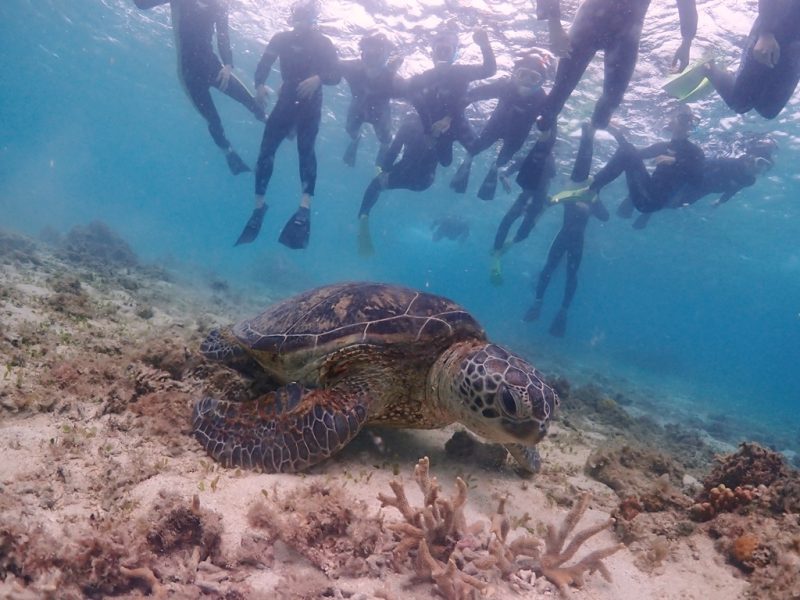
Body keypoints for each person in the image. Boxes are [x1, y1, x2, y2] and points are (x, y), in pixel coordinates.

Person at [235, 0, 340, 250]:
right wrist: (259, 85)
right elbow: (262, 66)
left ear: (314, 18)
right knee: (266, 151)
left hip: (310, 103)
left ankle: (304, 208)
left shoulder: (323, 43)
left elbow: (336, 75)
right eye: (297, 15)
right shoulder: (280, 38)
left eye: (306, 16)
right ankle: (259, 206)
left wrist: (318, 78)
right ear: (292, 16)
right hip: (286, 101)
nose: (300, 21)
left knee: (305, 151)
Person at [133, 0, 265, 175]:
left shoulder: (220, 4)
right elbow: (142, 4)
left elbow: (223, 35)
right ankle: (230, 154)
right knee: (214, 120)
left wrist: (228, 65)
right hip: (189, 74)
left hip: (214, 68)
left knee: (250, 102)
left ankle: (280, 126)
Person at [534, 0, 697, 134]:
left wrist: (687, 40)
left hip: (625, 34)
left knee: (611, 100)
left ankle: (592, 129)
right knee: (561, 90)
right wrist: (553, 23)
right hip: (589, 22)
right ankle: (543, 127)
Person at [523, 122, 609, 337]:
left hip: (576, 241)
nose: (587, 182)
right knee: (548, 270)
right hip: (564, 237)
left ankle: (562, 313)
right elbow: (554, 200)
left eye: (591, 181)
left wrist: (593, 200)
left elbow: (605, 216)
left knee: (571, 275)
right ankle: (538, 303)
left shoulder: (592, 198)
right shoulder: (572, 192)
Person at [560, 106, 705, 215]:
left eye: (682, 119)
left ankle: (592, 188)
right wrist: (616, 133)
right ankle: (592, 189)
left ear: (689, 126)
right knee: (627, 150)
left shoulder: (695, 152)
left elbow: (698, 180)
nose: (675, 120)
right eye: (677, 117)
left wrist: (675, 162)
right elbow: (630, 156)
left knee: (627, 150)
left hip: (653, 201)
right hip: (645, 193)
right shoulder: (663, 146)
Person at [449, 53, 552, 199]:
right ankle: (469, 161)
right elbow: (475, 93)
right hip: (496, 127)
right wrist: (454, 111)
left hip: (516, 136)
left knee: (503, 158)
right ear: (515, 76)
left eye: (534, 78)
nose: (527, 82)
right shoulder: (505, 86)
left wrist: (545, 129)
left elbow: (547, 122)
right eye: (523, 74)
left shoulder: (541, 99)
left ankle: (495, 168)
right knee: (475, 148)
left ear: (540, 83)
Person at [619, 137, 776, 228]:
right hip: (693, 179)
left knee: (675, 205)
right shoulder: (730, 163)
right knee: (663, 195)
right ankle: (638, 203)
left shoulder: (749, 180)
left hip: (703, 190)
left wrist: (720, 201)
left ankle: (648, 211)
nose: (760, 169)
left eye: (766, 168)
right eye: (760, 163)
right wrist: (676, 161)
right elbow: (702, 162)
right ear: (750, 160)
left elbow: (733, 190)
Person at [397, 27, 496, 169]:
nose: (443, 54)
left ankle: (467, 157)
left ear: (455, 54)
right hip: (435, 127)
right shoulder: (425, 78)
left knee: (474, 149)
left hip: (457, 121)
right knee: (445, 163)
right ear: (432, 54)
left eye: (447, 50)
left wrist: (485, 45)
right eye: (439, 50)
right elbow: (406, 91)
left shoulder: (462, 72)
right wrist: (427, 131)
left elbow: (490, 70)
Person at [356, 114, 440, 256]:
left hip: (406, 172)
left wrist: (384, 170)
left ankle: (363, 214)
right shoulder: (436, 127)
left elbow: (393, 151)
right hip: (425, 182)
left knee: (375, 185)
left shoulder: (407, 125)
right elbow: (444, 159)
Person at [700, 0, 800, 119]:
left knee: (769, 111)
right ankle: (708, 66)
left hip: (794, 52)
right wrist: (765, 33)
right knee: (740, 102)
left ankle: (730, 75)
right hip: (775, 33)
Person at [489, 127, 558, 285]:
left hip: (531, 199)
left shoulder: (543, 158)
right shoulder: (536, 157)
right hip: (531, 199)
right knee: (510, 224)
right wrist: (503, 177)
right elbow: (507, 171)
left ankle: (503, 247)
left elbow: (508, 171)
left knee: (517, 228)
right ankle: (498, 252)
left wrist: (504, 177)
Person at [340, 33, 403, 167]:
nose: (372, 57)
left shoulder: (393, 79)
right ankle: (356, 139)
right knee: (350, 129)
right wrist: (316, 78)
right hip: (358, 108)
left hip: (380, 113)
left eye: (377, 53)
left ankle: (383, 147)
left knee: (385, 138)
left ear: (386, 57)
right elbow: (327, 67)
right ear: (362, 53)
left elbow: (413, 95)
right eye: (368, 52)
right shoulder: (351, 67)